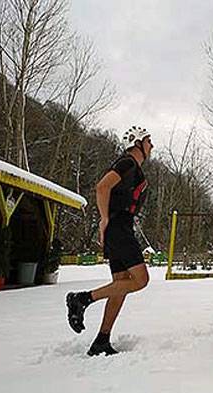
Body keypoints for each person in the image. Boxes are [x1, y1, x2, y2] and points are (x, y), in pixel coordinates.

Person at [66, 126, 153, 357]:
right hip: (118, 228)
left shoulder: (133, 168)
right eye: (148, 141)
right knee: (141, 279)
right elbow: (102, 187)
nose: (151, 146)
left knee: (121, 283)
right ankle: (82, 298)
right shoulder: (127, 163)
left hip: (120, 227)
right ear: (137, 143)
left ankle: (102, 340)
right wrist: (105, 220)